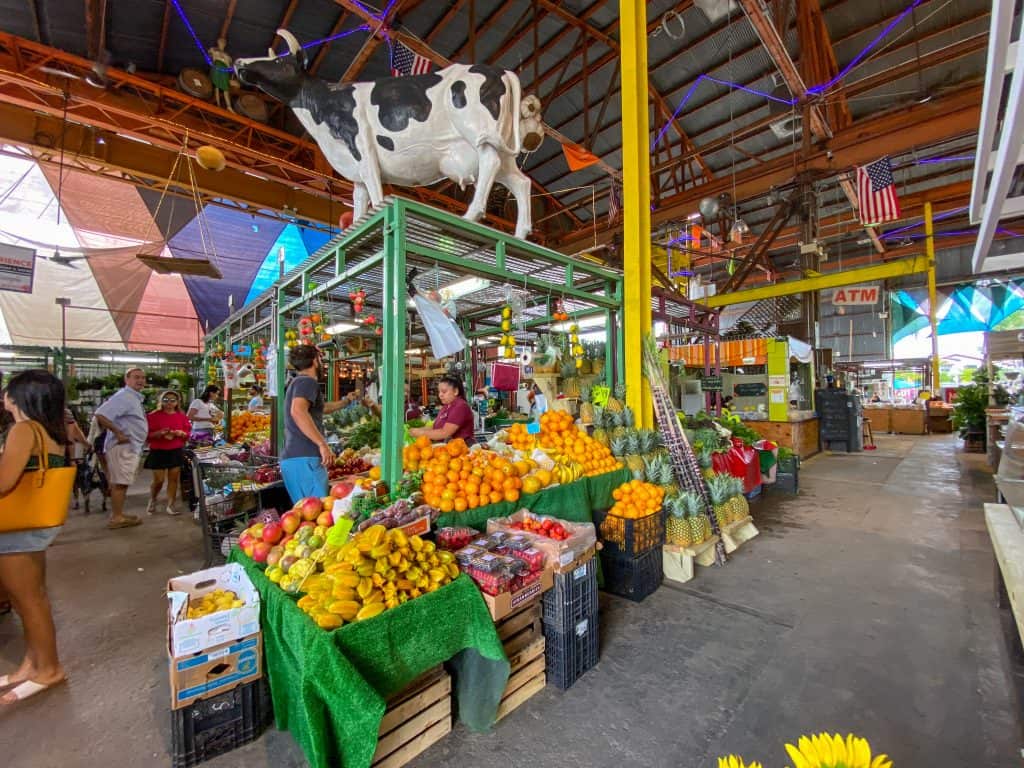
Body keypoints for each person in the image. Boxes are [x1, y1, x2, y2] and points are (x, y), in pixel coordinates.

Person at [0, 370, 72, 706]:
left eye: (7, 391)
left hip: (16, 527)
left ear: (18, 397)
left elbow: (3, 482)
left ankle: (49, 669)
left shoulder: (24, 430)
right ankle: (32, 664)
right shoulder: (50, 431)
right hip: (34, 528)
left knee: (29, 602)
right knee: (32, 599)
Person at [281, 345, 346, 502]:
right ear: (315, 361)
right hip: (306, 458)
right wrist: (322, 444)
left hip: (295, 459)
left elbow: (321, 408)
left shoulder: (297, 383)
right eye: (320, 358)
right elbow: (298, 411)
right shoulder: (307, 382)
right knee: (318, 513)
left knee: (305, 516)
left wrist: (347, 401)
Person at [94, 368, 148, 529]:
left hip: (129, 447)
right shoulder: (124, 397)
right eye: (136, 377)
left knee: (121, 482)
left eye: (143, 378)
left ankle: (119, 514)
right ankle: (117, 517)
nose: (140, 380)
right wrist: (118, 433)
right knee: (120, 483)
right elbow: (100, 414)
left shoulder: (132, 398)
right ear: (127, 379)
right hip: (122, 447)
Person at [144, 390, 191, 516]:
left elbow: (187, 434)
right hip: (158, 450)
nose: (169, 403)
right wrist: (159, 433)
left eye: (172, 400)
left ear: (177, 402)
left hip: (175, 450)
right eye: (166, 400)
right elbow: (146, 435)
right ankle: (153, 499)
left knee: (174, 479)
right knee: (158, 480)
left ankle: (171, 504)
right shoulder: (153, 416)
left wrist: (181, 433)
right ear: (161, 401)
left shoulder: (181, 416)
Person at [409, 375, 474, 443]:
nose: (440, 395)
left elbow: (445, 433)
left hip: (462, 448)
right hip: (446, 448)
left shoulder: (460, 406)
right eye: (439, 392)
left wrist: (420, 433)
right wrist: (417, 430)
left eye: (444, 392)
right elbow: (435, 427)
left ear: (455, 391)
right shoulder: (446, 406)